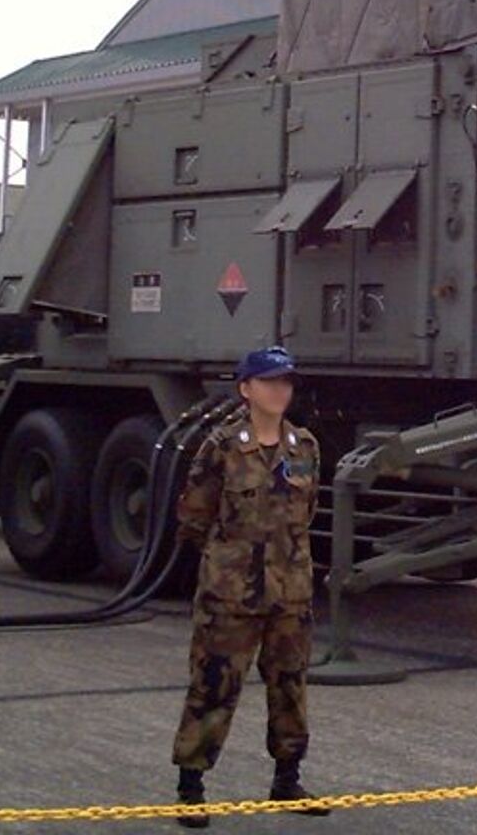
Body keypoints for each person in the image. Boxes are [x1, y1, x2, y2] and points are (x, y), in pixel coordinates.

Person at [170, 346, 327, 826]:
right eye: (270, 382)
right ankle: (191, 788)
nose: (280, 390)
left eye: (286, 382)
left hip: (290, 591)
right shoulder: (221, 446)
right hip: (231, 592)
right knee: (214, 684)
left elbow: (308, 513)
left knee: (290, 687)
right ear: (245, 389)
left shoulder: (305, 447)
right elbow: (194, 516)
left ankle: (287, 780)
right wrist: (227, 565)